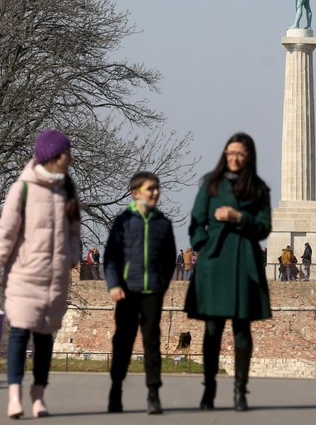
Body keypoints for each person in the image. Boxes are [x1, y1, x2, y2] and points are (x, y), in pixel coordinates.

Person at [0, 129, 81, 419]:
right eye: (67, 152)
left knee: (44, 338)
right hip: (25, 274)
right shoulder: (22, 188)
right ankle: (14, 395)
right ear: (54, 155)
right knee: (19, 332)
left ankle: (38, 396)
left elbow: (75, 230)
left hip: (56, 277)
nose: (70, 156)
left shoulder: (68, 188)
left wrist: (72, 257)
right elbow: (5, 234)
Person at [184, 133, 272, 412]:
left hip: (244, 262)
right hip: (215, 260)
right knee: (213, 329)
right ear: (224, 154)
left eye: (240, 154)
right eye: (230, 152)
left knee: (242, 329)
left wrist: (239, 217)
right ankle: (209, 388)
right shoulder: (211, 184)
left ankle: (239, 391)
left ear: (249, 156)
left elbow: (264, 226)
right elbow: (196, 221)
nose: (234, 158)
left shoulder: (258, 189)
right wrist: (203, 246)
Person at [104, 171, 176, 414]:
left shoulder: (163, 223)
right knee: (123, 341)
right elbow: (111, 258)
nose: (155, 192)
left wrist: (161, 285)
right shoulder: (123, 221)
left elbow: (169, 260)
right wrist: (114, 285)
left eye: (157, 188)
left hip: (152, 291)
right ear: (135, 194)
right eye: (150, 188)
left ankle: (153, 393)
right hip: (127, 290)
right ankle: (116, 390)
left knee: (152, 342)